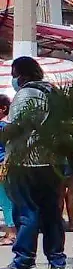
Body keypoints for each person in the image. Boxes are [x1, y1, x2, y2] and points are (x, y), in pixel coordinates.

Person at [2, 56, 65, 269]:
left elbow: (16, 127)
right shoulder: (53, 93)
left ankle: (24, 260)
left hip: (25, 162)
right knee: (51, 212)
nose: (14, 80)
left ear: (23, 74)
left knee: (26, 212)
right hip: (52, 162)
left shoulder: (25, 94)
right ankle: (57, 260)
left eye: (14, 75)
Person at [0, 94, 14, 246]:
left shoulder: (2, 126)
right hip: (5, 164)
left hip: (3, 165)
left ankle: (11, 232)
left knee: (5, 200)